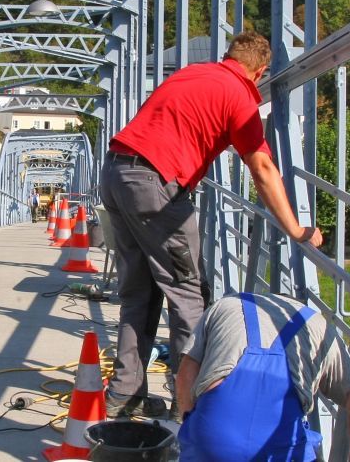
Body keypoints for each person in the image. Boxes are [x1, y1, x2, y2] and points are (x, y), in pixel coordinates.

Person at [99, 31, 323, 419]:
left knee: (140, 293)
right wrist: (296, 229)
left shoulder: (191, 73)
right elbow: (262, 168)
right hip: (155, 187)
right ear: (260, 72)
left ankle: (125, 395)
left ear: (228, 56)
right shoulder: (240, 96)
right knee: (188, 295)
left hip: (116, 173)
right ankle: (190, 406)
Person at [176, 292, 350, 461]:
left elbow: (186, 371)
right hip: (279, 443)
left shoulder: (225, 305)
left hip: (213, 434)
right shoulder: (319, 326)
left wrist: (190, 422)